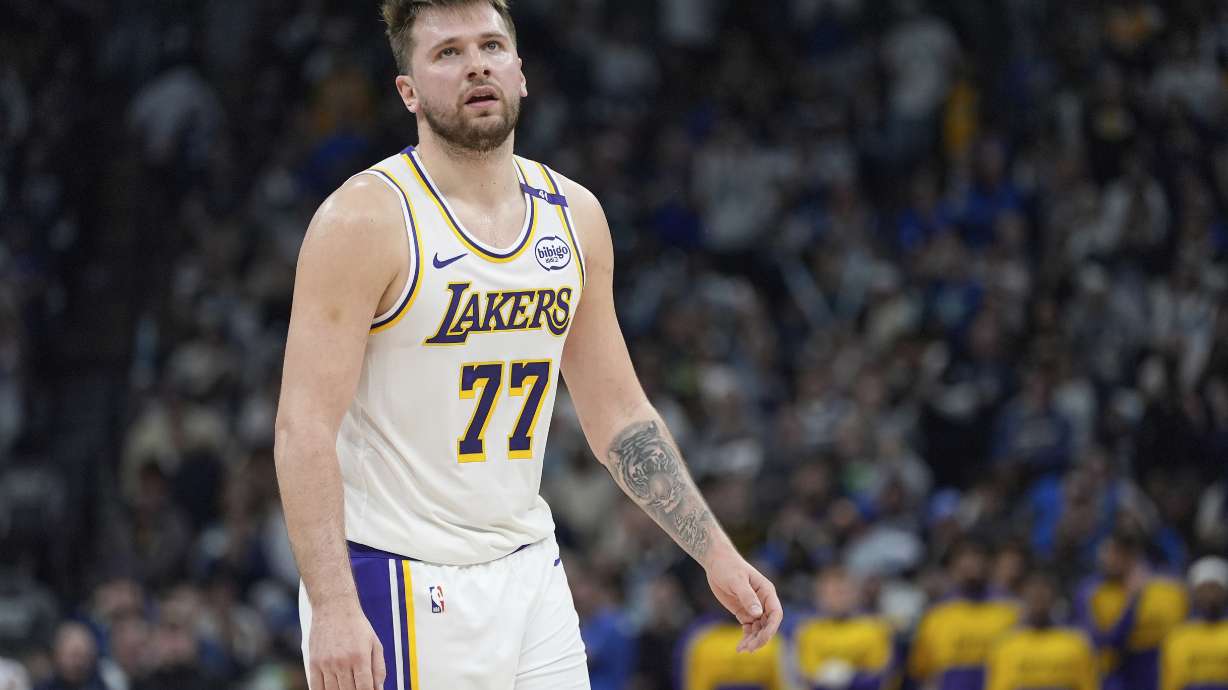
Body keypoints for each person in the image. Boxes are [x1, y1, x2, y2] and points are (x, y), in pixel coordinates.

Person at [273, 1, 783, 689]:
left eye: (490, 46)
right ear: (408, 92)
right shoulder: (364, 219)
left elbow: (619, 413)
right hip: (398, 573)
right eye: (448, 52)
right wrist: (333, 606)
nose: (476, 65)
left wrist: (715, 552)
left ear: (520, 71)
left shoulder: (574, 215)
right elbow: (303, 427)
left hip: (530, 568)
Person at [1075, 531, 1188, 690]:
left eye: (1118, 554)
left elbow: (1180, 637)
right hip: (1114, 675)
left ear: (1133, 558)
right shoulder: (1091, 593)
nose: (1109, 560)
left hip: (1155, 672)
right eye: (1107, 553)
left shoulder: (1168, 588)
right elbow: (1106, 643)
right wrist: (1133, 601)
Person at [907, 539, 1018, 690]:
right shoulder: (936, 614)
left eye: (977, 555)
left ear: (989, 563)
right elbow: (924, 674)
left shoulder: (1010, 610)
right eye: (965, 556)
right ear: (953, 565)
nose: (972, 563)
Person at [985, 571, 1097, 690]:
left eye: (1043, 595)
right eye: (1033, 595)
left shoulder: (1076, 644)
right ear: (1023, 597)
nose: (1038, 599)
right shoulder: (1005, 646)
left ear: (1054, 598)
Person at [794, 566, 899, 690]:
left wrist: (852, 677)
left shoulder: (875, 629)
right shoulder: (808, 631)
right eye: (829, 594)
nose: (836, 600)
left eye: (841, 592)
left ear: (855, 593)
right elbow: (807, 675)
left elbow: (881, 676)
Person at [1159, 556, 1228, 690]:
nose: (1210, 595)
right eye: (1204, 589)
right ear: (1194, 593)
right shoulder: (1178, 637)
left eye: (1215, 588)